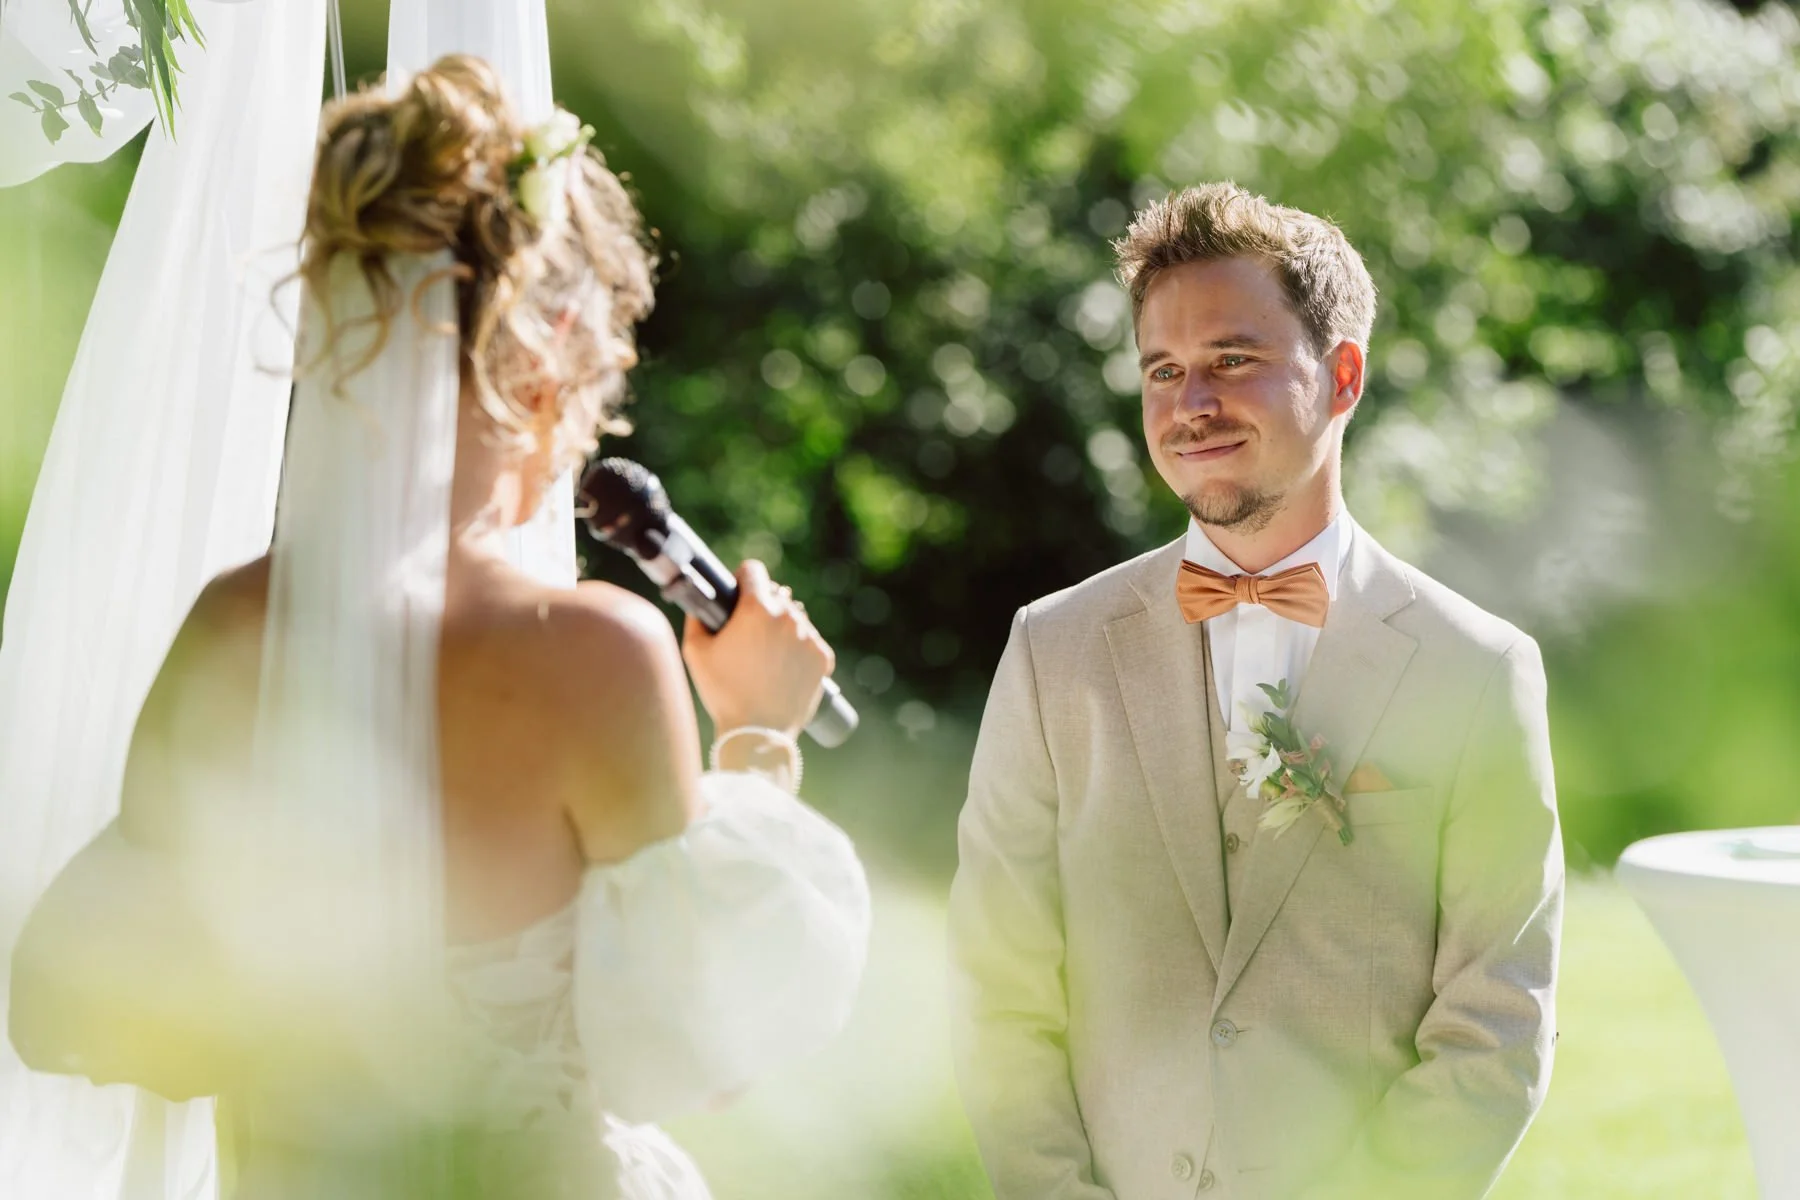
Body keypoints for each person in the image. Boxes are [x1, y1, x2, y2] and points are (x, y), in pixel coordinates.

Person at [9, 56, 869, 1199]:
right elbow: (706, 1051)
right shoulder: (597, 657)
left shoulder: (228, 632)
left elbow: (77, 1014)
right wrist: (758, 738)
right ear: (553, 363)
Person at [947, 182, 1561, 1200]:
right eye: (1164, 371)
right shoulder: (1053, 650)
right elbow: (998, 987)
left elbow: (1498, 1016)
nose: (1191, 404)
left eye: (1233, 361)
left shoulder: (1476, 670)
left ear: (1344, 377)